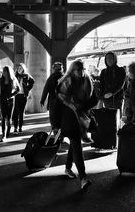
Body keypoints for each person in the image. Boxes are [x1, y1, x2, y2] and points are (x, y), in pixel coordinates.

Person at [56, 60, 98, 190]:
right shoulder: (66, 82)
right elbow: (57, 104)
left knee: (75, 144)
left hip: (82, 118)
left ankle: (68, 168)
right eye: (78, 70)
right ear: (72, 70)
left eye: (83, 69)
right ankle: (83, 177)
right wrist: (55, 124)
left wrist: (84, 106)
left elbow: (94, 99)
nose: (82, 72)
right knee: (76, 145)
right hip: (69, 118)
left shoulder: (88, 81)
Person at [0, 66, 20, 142]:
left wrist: (11, 96)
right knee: (3, 118)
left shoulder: (13, 79)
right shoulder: (1, 80)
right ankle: (3, 135)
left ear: (9, 72)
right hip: (2, 101)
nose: (4, 73)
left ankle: (7, 132)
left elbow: (18, 90)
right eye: (3, 71)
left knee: (9, 118)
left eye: (5, 71)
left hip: (10, 101)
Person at [12, 63, 34, 133]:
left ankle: (20, 127)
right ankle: (15, 128)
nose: (19, 69)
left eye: (21, 68)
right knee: (15, 112)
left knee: (21, 112)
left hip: (23, 96)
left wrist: (27, 89)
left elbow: (32, 81)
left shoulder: (26, 76)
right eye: (18, 68)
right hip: (16, 95)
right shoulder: (15, 76)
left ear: (23, 69)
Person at [40, 62, 64, 127]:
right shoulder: (64, 77)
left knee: (53, 118)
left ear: (53, 69)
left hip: (53, 100)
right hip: (63, 101)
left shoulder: (51, 77)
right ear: (61, 69)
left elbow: (46, 89)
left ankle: (55, 132)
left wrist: (42, 100)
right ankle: (60, 133)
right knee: (61, 117)